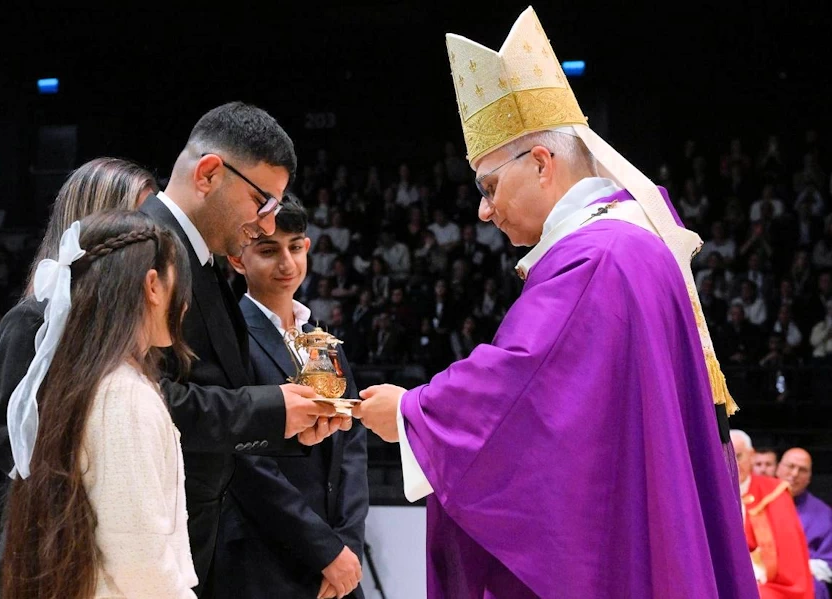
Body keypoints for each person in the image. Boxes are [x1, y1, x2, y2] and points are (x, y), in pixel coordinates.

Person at [354, 8, 755, 597]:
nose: (483, 212)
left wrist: (415, 414)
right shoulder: (630, 243)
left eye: (488, 187)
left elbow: (523, 382)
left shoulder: (598, 257)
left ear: (540, 163)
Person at [0, 155, 338, 598]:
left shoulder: (128, 370)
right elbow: (22, 455)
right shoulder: (100, 375)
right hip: (68, 555)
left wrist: (280, 424)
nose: (155, 236)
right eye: (142, 223)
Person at [136, 102, 349, 596]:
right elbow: (137, 399)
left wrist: (286, 423)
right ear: (210, 173)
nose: (268, 224)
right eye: (262, 202)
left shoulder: (196, 256)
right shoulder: (143, 249)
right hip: (160, 534)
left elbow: (214, 389)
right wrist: (272, 408)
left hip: (194, 531)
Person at [1, 211, 197, 598]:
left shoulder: (88, 379)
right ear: (153, 285)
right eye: (181, 283)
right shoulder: (122, 394)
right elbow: (141, 564)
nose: (186, 303)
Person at [216, 198, 368, 599]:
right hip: (266, 561)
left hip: (338, 565)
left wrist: (348, 544)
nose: (286, 263)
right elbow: (248, 464)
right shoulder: (231, 339)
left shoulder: (320, 339)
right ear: (237, 258)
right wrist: (324, 550)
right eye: (269, 250)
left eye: (295, 247)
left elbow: (351, 445)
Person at [732, 431, 813, 599]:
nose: (732, 464)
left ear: (751, 455)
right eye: (724, 457)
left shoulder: (775, 492)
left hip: (765, 581)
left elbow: (788, 555)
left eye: (738, 456)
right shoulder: (707, 492)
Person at [778, 448, 832, 599]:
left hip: (805, 581)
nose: (794, 474)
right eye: (790, 466)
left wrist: (792, 568)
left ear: (809, 477)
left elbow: (828, 563)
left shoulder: (824, 513)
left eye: (802, 470)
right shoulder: (757, 503)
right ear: (778, 468)